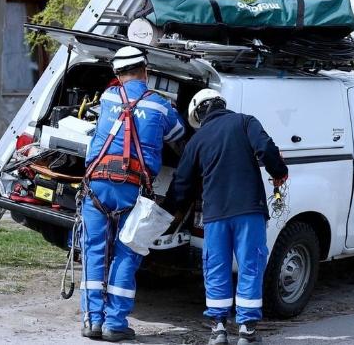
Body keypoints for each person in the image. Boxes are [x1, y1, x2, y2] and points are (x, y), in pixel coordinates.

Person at [81, 46, 185, 342]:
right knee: (127, 250)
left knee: (94, 251)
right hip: (132, 187)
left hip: (96, 184)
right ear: (145, 71)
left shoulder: (108, 97)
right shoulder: (160, 105)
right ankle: (115, 324)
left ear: (117, 74)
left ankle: (92, 321)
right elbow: (179, 140)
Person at [168, 89, 287, 344]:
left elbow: (182, 182)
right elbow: (266, 149)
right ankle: (247, 331)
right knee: (250, 266)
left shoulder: (197, 140)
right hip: (249, 210)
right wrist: (279, 170)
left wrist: (169, 213)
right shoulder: (245, 122)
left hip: (215, 215)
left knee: (216, 267)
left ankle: (218, 329)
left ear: (200, 113)